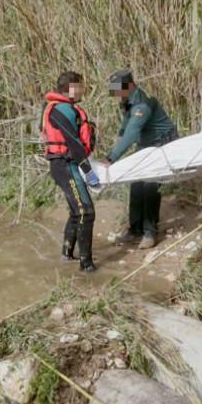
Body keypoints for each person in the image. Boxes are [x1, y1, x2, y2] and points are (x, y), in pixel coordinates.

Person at [103, 69, 178, 250]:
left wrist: (111, 158)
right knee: (136, 182)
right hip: (146, 144)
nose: (116, 94)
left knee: (150, 185)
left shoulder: (142, 106)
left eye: (118, 90)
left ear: (129, 86)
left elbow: (131, 134)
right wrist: (119, 135)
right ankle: (135, 229)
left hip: (162, 144)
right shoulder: (128, 100)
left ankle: (150, 233)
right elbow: (125, 126)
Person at [41, 72, 101, 273]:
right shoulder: (61, 110)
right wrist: (89, 172)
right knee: (86, 212)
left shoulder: (60, 108)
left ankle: (66, 255)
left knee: (77, 212)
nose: (84, 90)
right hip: (65, 166)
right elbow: (74, 144)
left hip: (66, 165)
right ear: (71, 88)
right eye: (81, 86)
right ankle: (87, 265)